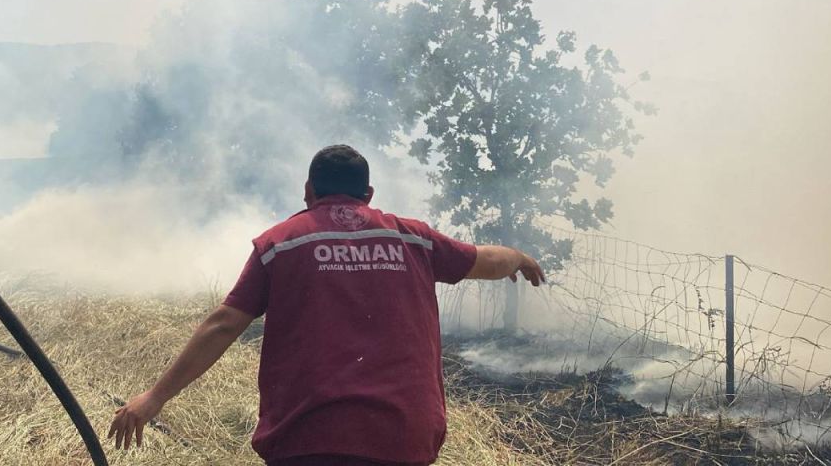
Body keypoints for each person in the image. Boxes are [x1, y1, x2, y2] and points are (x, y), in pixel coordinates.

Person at [108, 144, 545, 465]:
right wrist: (521, 258)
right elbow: (488, 260)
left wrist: (154, 398)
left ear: (308, 190)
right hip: (402, 437)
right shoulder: (414, 239)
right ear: (369, 194)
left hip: (308, 438)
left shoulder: (280, 245)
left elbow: (224, 324)